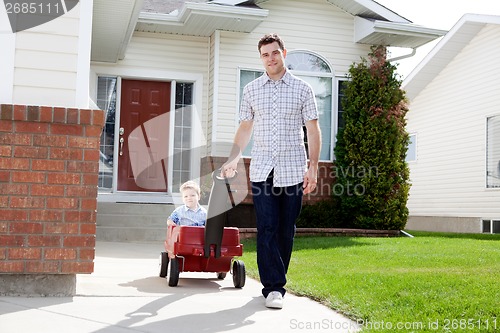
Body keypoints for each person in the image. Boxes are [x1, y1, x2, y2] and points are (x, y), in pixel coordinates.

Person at [222, 33, 321, 309]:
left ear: (284, 53)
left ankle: (275, 279)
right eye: (265, 54)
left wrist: (312, 167)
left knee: (285, 230)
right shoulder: (251, 90)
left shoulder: (303, 89)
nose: (270, 58)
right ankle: (274, 287)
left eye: (274, 53)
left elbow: (312, 129)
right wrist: (233, 158)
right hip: (262, 168)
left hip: (292, 168)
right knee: (266, 227)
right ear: (261, 57)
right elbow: (245, 127)